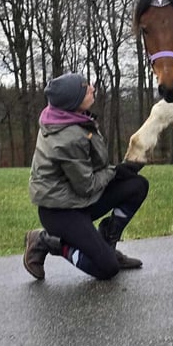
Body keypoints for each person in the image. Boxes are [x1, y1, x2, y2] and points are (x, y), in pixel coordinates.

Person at [24, 72, 148, 280]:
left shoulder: (69, 117)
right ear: (72, 100)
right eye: (85, 87)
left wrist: (119, 172)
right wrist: (115, 171)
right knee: (108, 269)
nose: (91, 88)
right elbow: (87, 186)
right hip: (60, 212)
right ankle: (46, 241)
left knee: (137, 185)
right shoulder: (66, 137)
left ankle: (107, 244)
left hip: (79, 199)